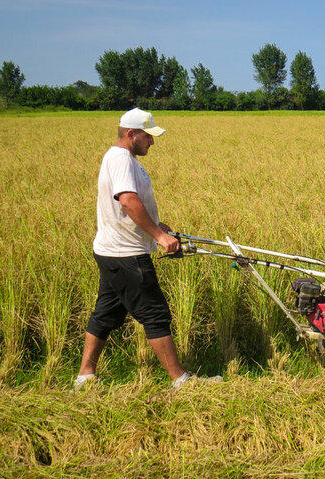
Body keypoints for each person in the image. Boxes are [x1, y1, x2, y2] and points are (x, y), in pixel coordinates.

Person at [75, 107, 192, 390]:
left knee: (107, 312)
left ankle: (85, 376)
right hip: (126, 253)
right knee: (155, 314)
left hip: (113, 250)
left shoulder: (121, 158)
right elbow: (127, 200)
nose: (152, 142)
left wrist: (157, 226)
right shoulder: (120, 159)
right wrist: (158, 236)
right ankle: (181, 382)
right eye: (148, 136)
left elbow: (128, 206)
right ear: (131, 134)